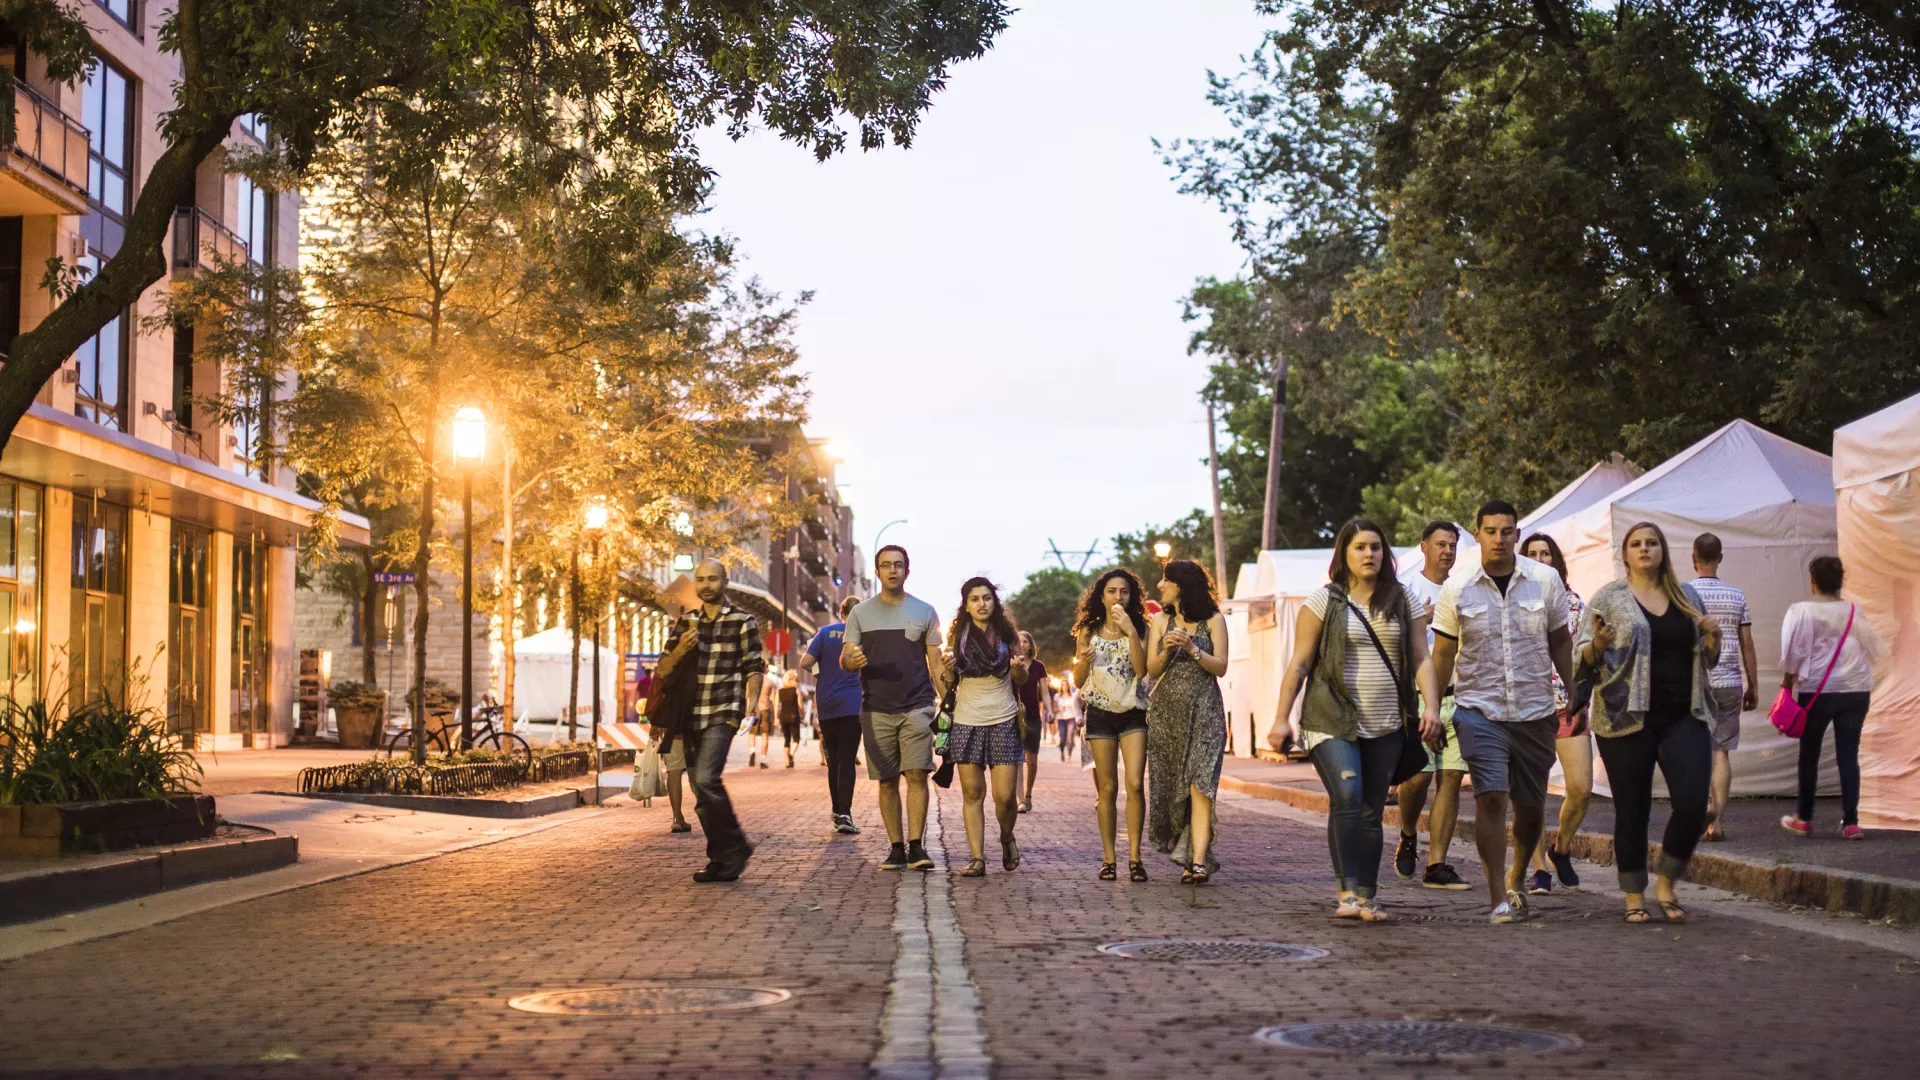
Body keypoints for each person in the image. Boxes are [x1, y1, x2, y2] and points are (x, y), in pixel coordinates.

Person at [1271, 520, 1440, 921]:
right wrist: (1281, 718)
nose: (1370, 555)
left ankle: (1367, 896)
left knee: (1370, 809)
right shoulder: (1322, 602)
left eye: (1376, 548)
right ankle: (1346, 892)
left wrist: (1430, 707)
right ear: (1344, 554)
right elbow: (1299, 663)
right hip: (1331, 719)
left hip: (1387, 723)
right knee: (1348, 798)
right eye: (1361, 547)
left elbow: (1421, 658)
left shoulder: (1403, 600)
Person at [1431, 500, 1575, 924]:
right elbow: (1443, 654)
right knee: (1491, 797)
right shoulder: (1456, 588)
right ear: (1478, 535)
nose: (1499, 539)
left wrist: (1574, 688)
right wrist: (1432, 709)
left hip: (1534, 711)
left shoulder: (1545, 581)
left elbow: (1561, 642)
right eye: (1490, 531)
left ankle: (1517, 875)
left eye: (1507, 531)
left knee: (1530, 807)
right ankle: (1497, 896)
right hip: (1479, 708)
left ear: (1517, 533)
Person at [1577, 522, 1721, 922]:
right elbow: (1579, 658)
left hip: (1684, 714)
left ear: (1663, 551)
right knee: (1633, 809)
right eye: (1636, 544)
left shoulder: (1686, 595)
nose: (1644, 550)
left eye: (1652, 543)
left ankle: (1668, 880)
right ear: (1625, 554)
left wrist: (1714, 638)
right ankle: (1634, 896)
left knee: (1693, 804)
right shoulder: (1609, 598)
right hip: (1625, 717)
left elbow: (1708, 658)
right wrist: (1597, 646)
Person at [650, 559, 763, 882]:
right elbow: (663, 669)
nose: (706, 585)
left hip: (723, 712)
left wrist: (751, 706)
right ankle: (720, 858)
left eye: (712, 579)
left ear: (725, 581)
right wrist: (680, 650)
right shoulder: (686, 623)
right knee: (701, 792)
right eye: (700, 580)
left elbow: (754, 666)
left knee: (705, 778)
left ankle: (737, 844)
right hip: (689, 716)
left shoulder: (743, 621)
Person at [841, 545, 944, 871]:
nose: (892, 570)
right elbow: (845, 658)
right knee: (886, 780)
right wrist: (851, 660)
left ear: (907, 571)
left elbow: (936, 664)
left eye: (898, 565)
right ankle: (896, 847)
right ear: (877, 572)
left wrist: (952, 703)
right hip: (876, 709)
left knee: (916, 774)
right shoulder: (860, 614)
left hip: (917, 706)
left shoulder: (925, 611)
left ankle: (916, 846)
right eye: (886, 565)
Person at [1780, 556, 1887, 840]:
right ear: (1841, 582)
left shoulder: (1801, 611)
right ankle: (1851, 822)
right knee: (1848, 756)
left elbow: (1793, 653)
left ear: (1812, 580)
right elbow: (1868, 649)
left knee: (1809, 753)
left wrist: (1786, 684)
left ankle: (1804, 818)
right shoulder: (1854, 610)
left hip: (1816, 691)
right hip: (1855, 690)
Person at [1391, 521, 1470, 890]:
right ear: (1423, 546)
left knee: (1451, 777)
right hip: (1419, 696)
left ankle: (1437, 862)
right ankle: (1408, 833)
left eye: (1452, 545)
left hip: (1459, 693)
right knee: (1419, 776)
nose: (1447, 551)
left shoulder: (1465, 587)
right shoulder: (1405, 589)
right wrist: (1417, 621)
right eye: (1440, 544)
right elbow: (1386, 641)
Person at [1146, 559, 1230, 884]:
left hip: (1206, 711)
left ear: (1181, 585)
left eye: (1165, 580)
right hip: (1168, 715)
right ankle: (1188, 853)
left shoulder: (1214, 620)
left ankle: (1196, 861)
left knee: (1201, 784)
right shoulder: (1159, 620)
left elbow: (1221, 667)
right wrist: (1167, 650)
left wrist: (1193, 649)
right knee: (1171, 789)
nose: (1159, 586)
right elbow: (1151, 670)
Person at [941, 578, 1029, 877]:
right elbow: (950, 683)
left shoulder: (1007, 634)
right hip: (967, 720)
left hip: (1003, 719)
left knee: (1005, 798)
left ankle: (1006, 836)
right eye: (975, 599)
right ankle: (977, 858)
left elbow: (1021, 679)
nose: (982, 604)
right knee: (973, 793)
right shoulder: (958, 636)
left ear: (995, 602)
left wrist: (1018, 670)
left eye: (987, 598)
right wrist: (947, 672)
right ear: (966, 605)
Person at [1522, 532, 1591, 894]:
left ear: (1556, 560)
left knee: (1581, 788)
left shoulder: (1574, 603)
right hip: (1528, 708)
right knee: (1533, 792)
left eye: (1545, 553)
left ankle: (1560, 850)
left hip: (1568, 705)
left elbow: (1582, 656)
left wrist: (1584, 697)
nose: (1539, 558)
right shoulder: (1512, 601)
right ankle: (1538, 869)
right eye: (1532, 553)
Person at [1072, 568, 1150, 882]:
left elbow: (1142, 670)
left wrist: (1131, 631)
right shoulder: (1088, 630)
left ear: (1131, 597)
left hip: (1133, 713)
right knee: (1107, 789)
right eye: (1112, 591)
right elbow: (1078, 681)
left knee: (1134, 784)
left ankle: (1135, 857)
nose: (1118, 597)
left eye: (1124, 592)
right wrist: (1085, 662)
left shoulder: (1141, 627)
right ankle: (1108, 858)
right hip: (1100, 714)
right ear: (1101, 596)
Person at [1690, 533, 1757, 840]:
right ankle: (1716, 823)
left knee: (1697, 750)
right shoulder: (1736, 595)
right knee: (1721, 753)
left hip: (1697, 682)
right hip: (1729, 681)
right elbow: (1747, 643)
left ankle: (1701, 815)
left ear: (1694, 558)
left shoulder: (1685, 594)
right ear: (1720, 558)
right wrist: (1752, 684)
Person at [801, 595, 865, 834]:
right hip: (852, 703)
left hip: (827, 703)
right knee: (847, 759)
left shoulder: (825, 632)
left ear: (841, 613)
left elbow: (805, 662)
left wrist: (822, 673)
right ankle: (846, 814)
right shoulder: (863, 636)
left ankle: (837, 810)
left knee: (833, 760)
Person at [1013, 631, 1052, 814]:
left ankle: (1028, 794)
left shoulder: (1038, 666)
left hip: (1033, 716)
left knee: (1032, 759)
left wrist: (1050, 710)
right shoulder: (1011, 663)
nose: (1022, 644)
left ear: (1030, 644)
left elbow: (1044, 692)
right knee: (1018, 758)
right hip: (1013, 715)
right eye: (1019, 641)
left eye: (1025, 641)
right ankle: (1020, 799)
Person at [777, 669, 806, 768]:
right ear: (793, 679)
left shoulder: (780, 691)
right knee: (796, 739)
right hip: (794, 716)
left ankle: (787, 761)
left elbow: (777, 705)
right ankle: (791, 755)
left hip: (783, 716)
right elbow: (800, 705)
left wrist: (776, 717)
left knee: (786, 739)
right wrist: (803, 714)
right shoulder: (796, 691)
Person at [1055, 682, 1081, 762]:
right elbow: (1054, 709)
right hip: (1061, 718)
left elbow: (1077, 707)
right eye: (1062, 684)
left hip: (1071, 718)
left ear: (1068, 686)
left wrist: (1078, 717)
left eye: (1066, 685)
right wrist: (1059, 709)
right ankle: (1062, 751)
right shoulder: (1057, 696)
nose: (1064, 686)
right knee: (1062, 738)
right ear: (1061, 686)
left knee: (1070, 738)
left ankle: (1069, 755)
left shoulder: (1073, 696)